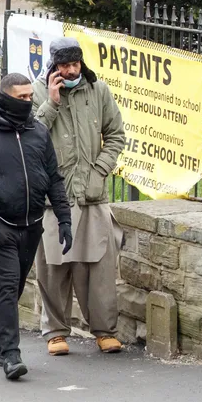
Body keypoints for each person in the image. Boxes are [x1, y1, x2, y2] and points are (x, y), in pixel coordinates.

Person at [0, 75, 73, 379]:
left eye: (29, 96)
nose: (28, 101)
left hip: (32, 223)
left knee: (15, 285)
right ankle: (11, 354)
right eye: (21, 97)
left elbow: (54, 178)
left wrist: (64, 218)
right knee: (7, 286)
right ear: (6, 97)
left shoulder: (38, 131)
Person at [33, 37, 126, 356]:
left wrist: (100, 170)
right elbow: (31, 138)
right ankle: (56, 332)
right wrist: (52, 102)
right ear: (53, 67)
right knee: (53, 267)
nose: (71, 71)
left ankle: (104, 331)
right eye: (64, 66)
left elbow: (116, 135)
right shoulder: (39, 91)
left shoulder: (98, 90)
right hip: (53, 198)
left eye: (75, 64)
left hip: (92, 194)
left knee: (98, 267)